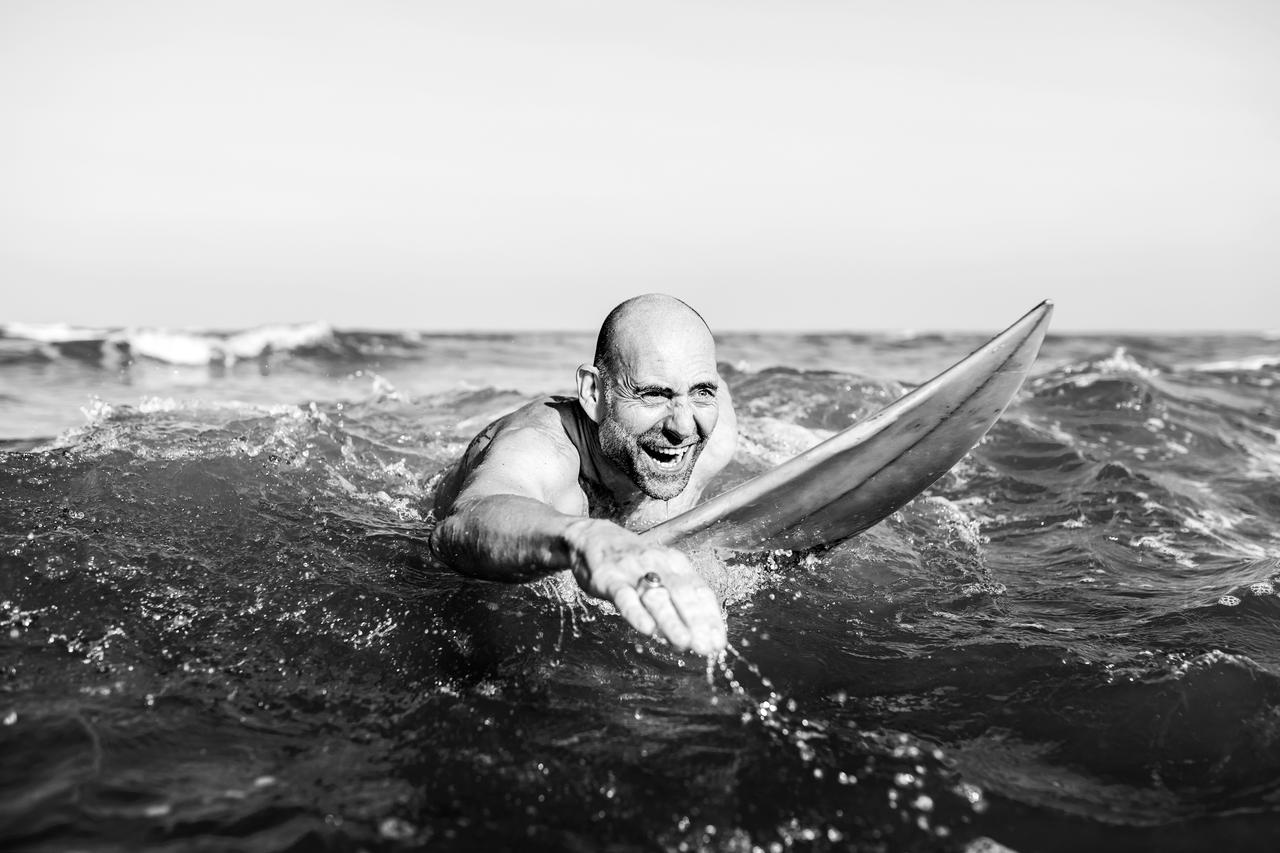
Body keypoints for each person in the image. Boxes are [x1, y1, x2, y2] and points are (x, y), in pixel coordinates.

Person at [430, 294, 737, 657]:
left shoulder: (715, 438)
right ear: (594, 394)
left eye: (701, 391)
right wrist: (583, 538)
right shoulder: (542, 450)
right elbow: (462, 521)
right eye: (654, 395)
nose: (684, 427)